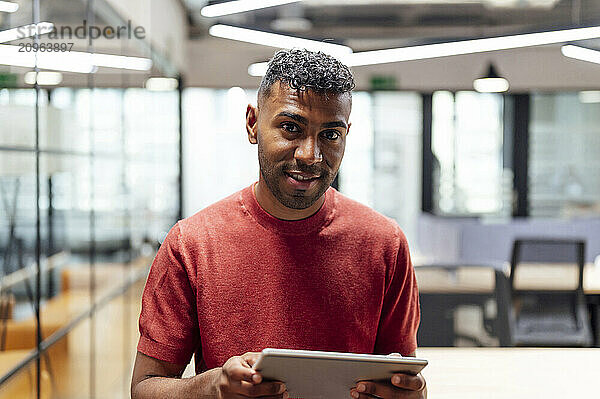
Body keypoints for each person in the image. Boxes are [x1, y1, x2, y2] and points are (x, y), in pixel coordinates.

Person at [131, 48, 426, 399]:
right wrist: (211, 387)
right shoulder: (191, 244)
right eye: (290, 128)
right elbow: (145, 388)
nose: (309, 154)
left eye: (330, 134)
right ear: (253, 123)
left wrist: (410, 394)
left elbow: (401, 376)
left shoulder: (384, 244)